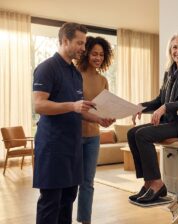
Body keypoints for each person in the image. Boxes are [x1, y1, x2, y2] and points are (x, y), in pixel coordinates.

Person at [32, 23, 114, 224]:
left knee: (68, 198)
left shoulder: (75, 74)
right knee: (51, 200)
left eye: (83, 43)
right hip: (53, 146)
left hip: (73, 145)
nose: (82, 48)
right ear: (64, 41)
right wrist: (72, 106)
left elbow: (80, 109)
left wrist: (98, 119)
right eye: (79, 43)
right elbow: (39, 105)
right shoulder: (46, 68)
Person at [127, 32, 178, 203]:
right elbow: (159, 100)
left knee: (143, 135)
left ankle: (157, 184)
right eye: (174, 47)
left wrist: (166, 107)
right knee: (132, 133)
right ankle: (149, 183)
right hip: (169, 122)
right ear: (170, 50)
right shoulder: (169, 73)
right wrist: (140, 106)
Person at [75, 36, 113, 224]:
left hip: (93, 137)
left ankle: (85, 221)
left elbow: (104, 109)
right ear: (86, 53)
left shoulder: (103, 80)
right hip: (73, 136)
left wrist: (110, 118)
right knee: (70, 183)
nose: (98, 58)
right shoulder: (74, 74)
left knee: (88, 183)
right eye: (94, 53)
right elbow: (74, 107)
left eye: (101, 54)